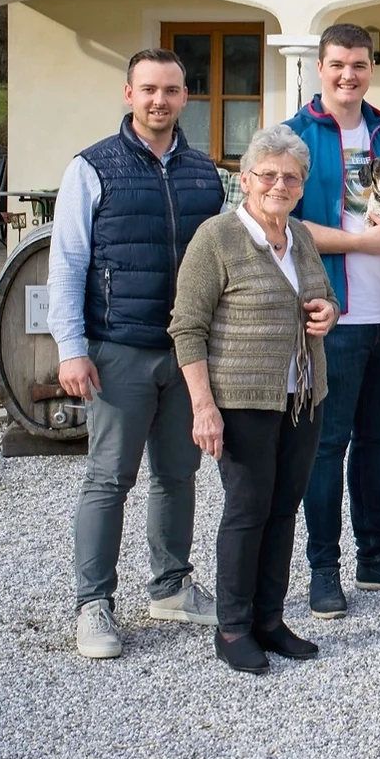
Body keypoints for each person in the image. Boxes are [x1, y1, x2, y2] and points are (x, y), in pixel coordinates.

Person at [48, 47, 224, 660]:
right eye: (148, 89)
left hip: (187, 355)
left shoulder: (206, 175)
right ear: (129, 93)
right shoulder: (92, 168)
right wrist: (72, 349)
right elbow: (67, 263)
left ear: (185, 98)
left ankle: (171, 586)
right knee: (108, 478)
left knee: (178, 474)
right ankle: (93, 604)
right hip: (118, 347)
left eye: (172, 90)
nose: (160, 101)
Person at [168, 125, 339, 674]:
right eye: (268, 174)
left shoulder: (302, 238)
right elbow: (186, 328)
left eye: (291, 177)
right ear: (245, 180)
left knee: (284, 509)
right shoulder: (216, 238)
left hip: (301, 396)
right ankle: (234, 626)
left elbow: (324, 296)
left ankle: (269, 619)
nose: (280, 185)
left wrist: (328, 313)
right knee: (247, 510)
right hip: (241, 399)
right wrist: (203, 406)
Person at [281, 23, 380, 619]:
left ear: (371, 69)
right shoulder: (295, 136)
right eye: (339, 64)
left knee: (376, 442)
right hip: (332, 319)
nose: (349, 75)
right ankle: (324, 570)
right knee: (327, 446)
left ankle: (376, 558)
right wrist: (363, 243)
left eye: (360, 65)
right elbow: (283, 224)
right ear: (320, 68)